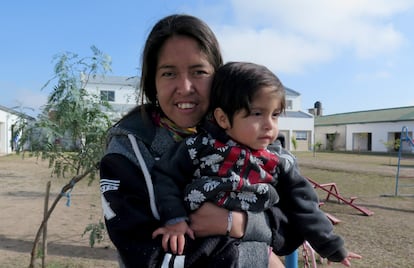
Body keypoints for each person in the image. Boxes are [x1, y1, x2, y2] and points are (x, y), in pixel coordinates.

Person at [99, 14, 288, 268]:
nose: (185, 87)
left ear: (218, 78)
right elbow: (146, 256)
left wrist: (236, 223)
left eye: (199, 71)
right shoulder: (127, 151)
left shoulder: (249, 133)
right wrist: (257, 256)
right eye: (168, 73)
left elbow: (292, 226)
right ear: (152, 83)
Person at [151, 62, 362, 267]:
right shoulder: (198, 147)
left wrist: (331, 246)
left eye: (275, 115)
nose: (269, 125)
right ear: (223, 118)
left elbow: (305, 206)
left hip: (255, 248)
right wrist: (175, 219)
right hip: (200, 245)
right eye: (257, 113)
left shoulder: (279, 161)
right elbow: (166, 176)